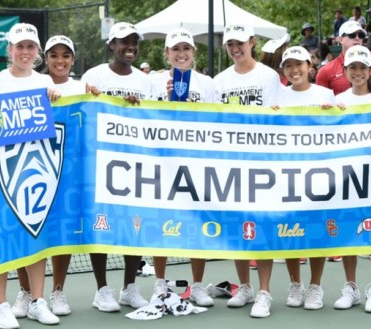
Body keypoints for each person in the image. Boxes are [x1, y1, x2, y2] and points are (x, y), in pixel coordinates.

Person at [0, 22, 62, 328]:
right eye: (20, 47)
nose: (25, 52)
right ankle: (0, 306)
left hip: (37, 173)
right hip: (2, 173)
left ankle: (37, 302)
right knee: (1, 239)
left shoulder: (45, 82)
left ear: (37, 51)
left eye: (31, 47)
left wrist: (56, 98)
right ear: (10, 51)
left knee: (36, 238)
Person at [79, 22, 151, 313]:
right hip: (99, 164)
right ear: (112, 45)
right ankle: (101, 290)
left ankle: (130, 288)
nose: (130, 46)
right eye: (123, 42)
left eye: (134, 41)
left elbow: (154, 117)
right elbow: (80, 111)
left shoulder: (147, 81)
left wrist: (136, 107)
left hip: (136, 164)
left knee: (135, 225)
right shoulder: (93, 76)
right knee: (102, 226)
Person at [213, 23, 283, 318]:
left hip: (262, 163)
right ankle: (245, 286)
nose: (235, 48)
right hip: (231, 164)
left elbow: (273, 118)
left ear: (252, 42)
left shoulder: (268, 76)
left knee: (262, 227)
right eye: (230, 44)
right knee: (237, 227)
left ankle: (264, 291)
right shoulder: (219, 80)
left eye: (240, 42)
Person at [12, 34, 83, 319]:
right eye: (54, 55)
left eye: (66, 55)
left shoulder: (82, 87)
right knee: (26, 227)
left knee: (60, 232)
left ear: (73, 60)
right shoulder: (38, 85)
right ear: (46, 58)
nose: (60, 61)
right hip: (32, 167)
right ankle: (27, 292)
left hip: (70, 169)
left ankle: (57, 291)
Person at [149, 27, 216, 307]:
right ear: (166, 53)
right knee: (160, 225)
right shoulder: (152, 81)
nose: (181, 54)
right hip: (163, 162)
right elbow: (144, 118)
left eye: (186, 49)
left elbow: (218, 122)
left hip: (198, 162)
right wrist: (165, 100)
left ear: (193, 53)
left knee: (198, 222)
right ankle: (159, 284)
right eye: (175, 49)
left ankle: (198, 285)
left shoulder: (208, 83)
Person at [275, 46, 335, 311]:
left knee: (317, 233)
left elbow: (344, 128)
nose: (294, 70)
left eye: (299, 64)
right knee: (290, 232)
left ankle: (315, 286)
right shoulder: (277, 95)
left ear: (310, 66)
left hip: (320, 176)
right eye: (288, 66)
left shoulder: (326, 94)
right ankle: (295, 284)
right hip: (286, 175)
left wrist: (334, 112)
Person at [333, 45, 371, 314]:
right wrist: (326, 112)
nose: (357, 72)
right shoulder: (338, 101)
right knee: (348, 234)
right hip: (347, 182)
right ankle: (351, 287)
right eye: (352, 67)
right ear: (345, 71)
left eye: (362, 68)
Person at [316, 20, 371, 95]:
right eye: (352, 35)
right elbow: (321, 102)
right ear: (341, 39)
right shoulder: (325, 71)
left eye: (361, 35)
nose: (357, 38)